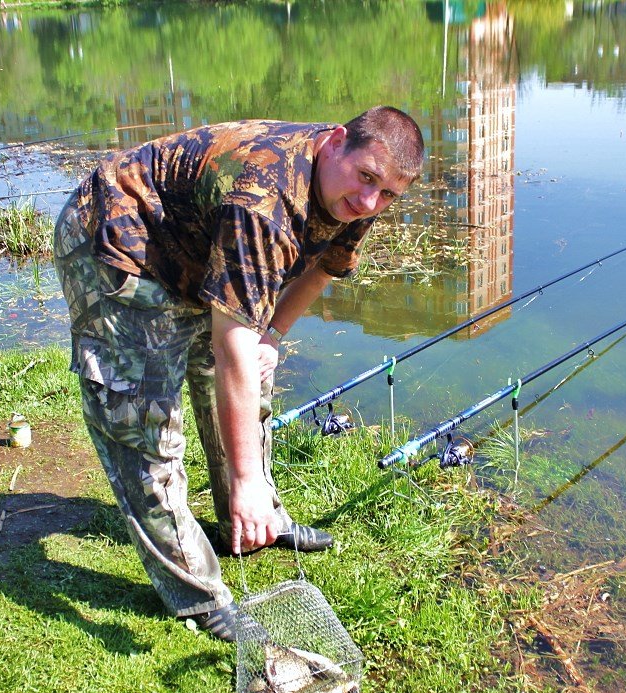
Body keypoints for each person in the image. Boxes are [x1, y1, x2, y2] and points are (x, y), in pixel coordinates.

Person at [53, 107, 424, 641]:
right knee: (145, 422)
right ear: (337, 142)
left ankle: (251, 521)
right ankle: (198, 594)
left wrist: (272, 334)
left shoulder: (357, 192)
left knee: (251, 371)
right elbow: (231, 350)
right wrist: (247, 477)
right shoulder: (262, 202)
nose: (370, 202)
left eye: (388, 194)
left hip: (197, 249)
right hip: (120, 238)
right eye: (366, 178)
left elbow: (324, 266)